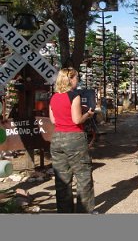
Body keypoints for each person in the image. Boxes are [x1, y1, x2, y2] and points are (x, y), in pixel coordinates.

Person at [49, 67, 95, 213]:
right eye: (76, 78)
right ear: (69, 79)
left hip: (57, 138)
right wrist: (88, 114)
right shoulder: (74, 96)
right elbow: (76, 120)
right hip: (74, 138)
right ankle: (84, 212)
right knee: (83, 177)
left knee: (62, 180)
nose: (78, 80)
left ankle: (64, 212)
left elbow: (53, 120)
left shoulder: (54, 97)